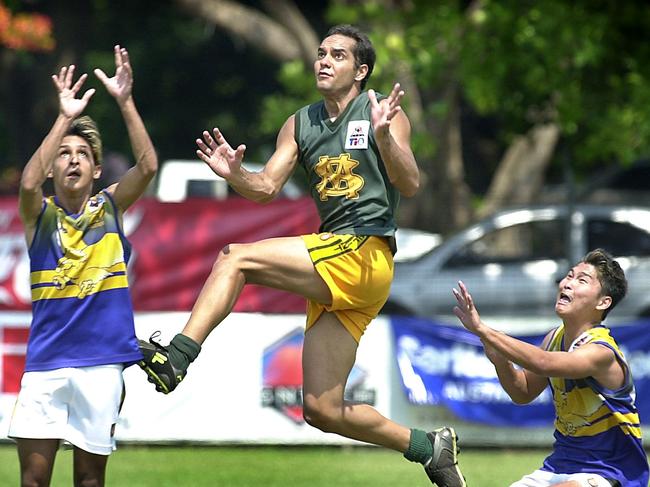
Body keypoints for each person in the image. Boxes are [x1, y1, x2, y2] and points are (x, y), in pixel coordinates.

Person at [138, 24, 465, 486]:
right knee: (321, 409)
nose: (324, 61)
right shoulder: (301, 122)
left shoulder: (380, 113)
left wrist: (385, 136)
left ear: (361, 70)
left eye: (338, 55)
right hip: (342, 265)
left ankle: (177, 356)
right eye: (320, 54)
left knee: (235, 257)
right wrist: (235, 174)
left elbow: (410, 185)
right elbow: (265, 188)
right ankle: (428, 447)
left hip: (365, 251)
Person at [8, 45, 158, 486]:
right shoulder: (39, 216)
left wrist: (125, 102)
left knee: (90, 481)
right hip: (46, 364)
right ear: (54, 169)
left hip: (102, 365)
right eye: (64, 153)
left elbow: (148, 166)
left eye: (83, 154)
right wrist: (63, 117)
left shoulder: (110, 208)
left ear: (96, 171)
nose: (73, 158)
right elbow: (29, 181)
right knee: (33, 481)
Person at [452, 248, 649, 487]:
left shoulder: (601, 352)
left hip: (611, 471)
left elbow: (544, 363)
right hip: (560, 464)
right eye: (569, 275)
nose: (567, 283)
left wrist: (483, 330)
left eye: (581, 280)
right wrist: (501, 361)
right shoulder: (554, 338)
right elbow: (522, 392)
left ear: (603, 302)